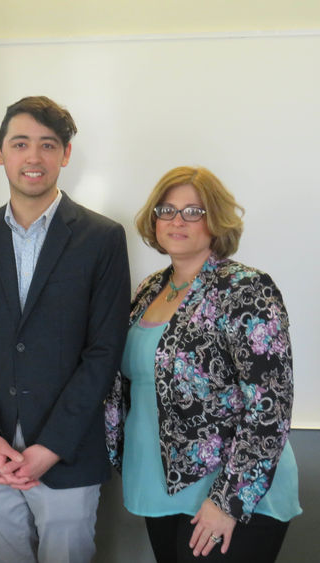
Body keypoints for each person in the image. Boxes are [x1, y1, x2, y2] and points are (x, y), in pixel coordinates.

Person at [0, 95, 130, 563]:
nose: (33, 157)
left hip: (67, 456)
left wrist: (50, 447)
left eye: (48, 145)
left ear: (65, 155)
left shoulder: (102, 238)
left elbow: (104, 351)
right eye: (20, 143)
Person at [105, 166, 301, 562]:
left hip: (231, 494)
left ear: (216, 221)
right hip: (159, 485)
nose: (177, 220)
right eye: (167, 210)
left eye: (194, 211)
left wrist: (227, 501)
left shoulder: (246, 289)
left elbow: (270, 408)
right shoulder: (148, 290)